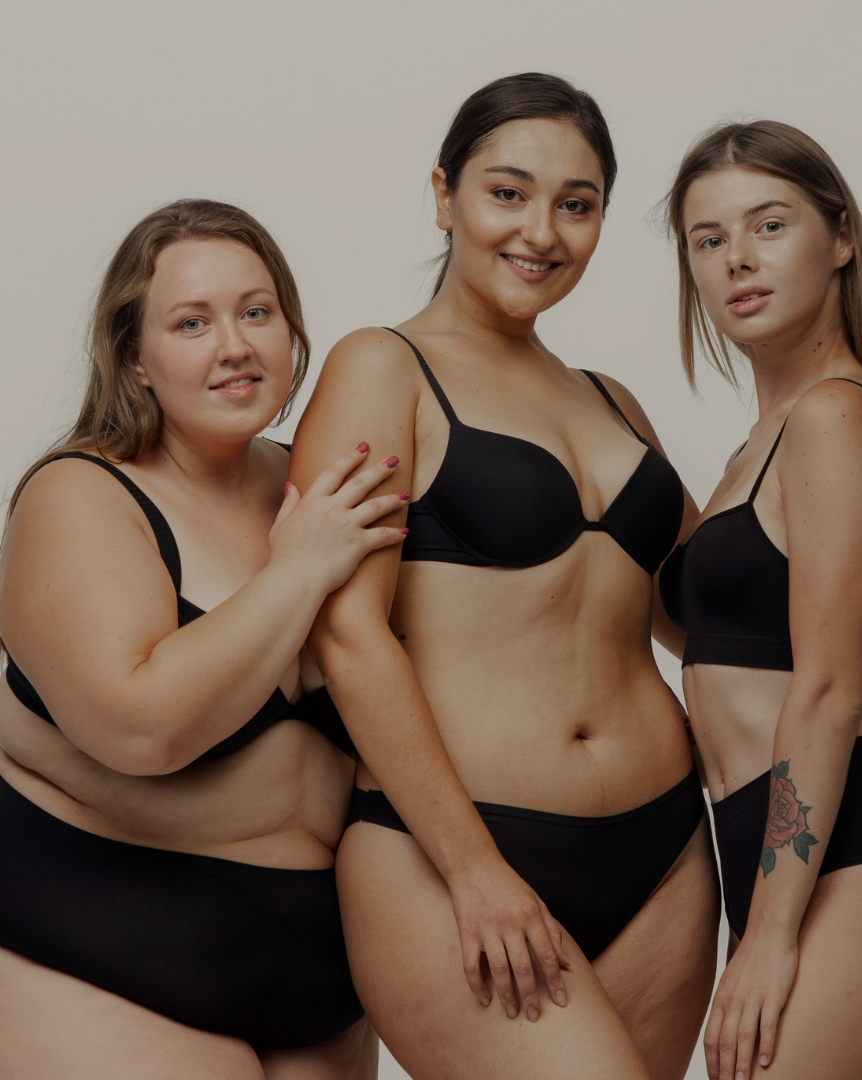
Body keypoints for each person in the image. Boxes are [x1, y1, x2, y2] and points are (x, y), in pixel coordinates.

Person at [0, 199, 406, 1080]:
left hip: (312, 968)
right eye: (191, 322)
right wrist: (298, 571)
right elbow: (141, 727)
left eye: (257, 311)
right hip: (68, 932)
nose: (234, 345)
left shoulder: (322, 486)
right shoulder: (82, 493)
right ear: (133, 356)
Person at [289, 72, 721, 1080]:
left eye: (578, 206)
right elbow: (347, 636)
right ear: (445, 196)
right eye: (509, 193)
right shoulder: (382, 367)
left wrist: (844, 446)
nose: (542, 231)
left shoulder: (612, 401)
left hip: (662, 852)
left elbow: (714, 612)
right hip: (449, 850)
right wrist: (475, 870)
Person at [658, 121, 862, 1080]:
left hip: (854, 853)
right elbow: (711, 638)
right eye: (708, 240)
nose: (737, 260)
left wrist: (770, 933)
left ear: (840, 238)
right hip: (771, 848)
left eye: (769, 224)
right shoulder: (762, 444)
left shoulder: (834, 415)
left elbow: (828, 688)